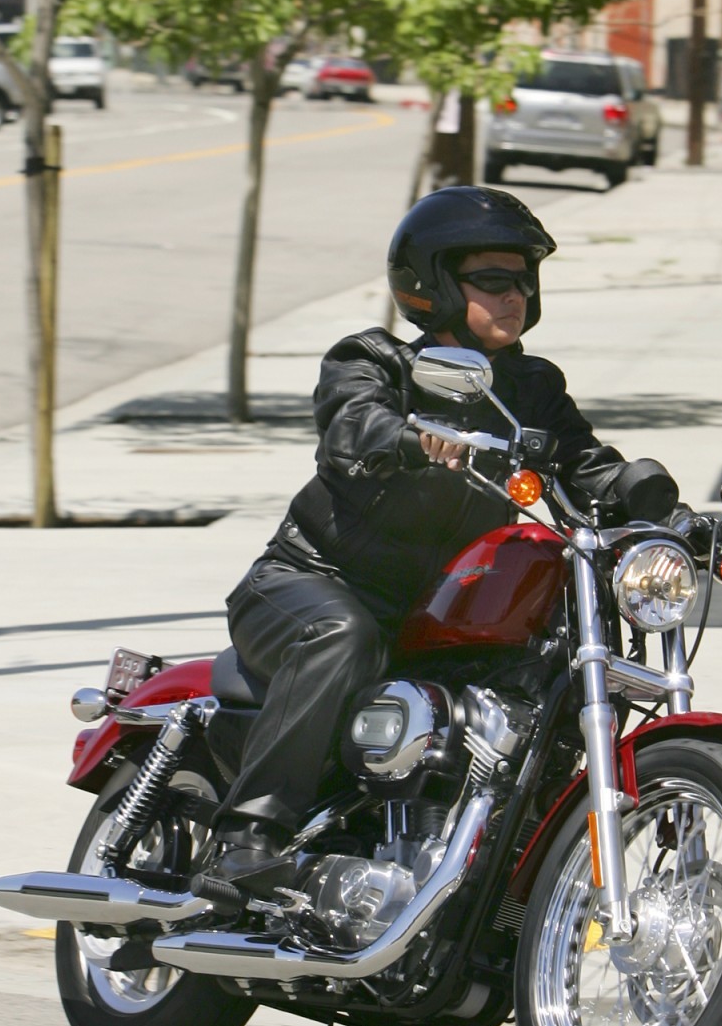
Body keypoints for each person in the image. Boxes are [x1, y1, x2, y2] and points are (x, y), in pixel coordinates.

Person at [212, 185, 680, 885]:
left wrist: (660, 507)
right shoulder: (372, 361)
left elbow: (586, 464)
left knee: (537, 674)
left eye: (523, 280)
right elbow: (351, 427)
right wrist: (408, 437)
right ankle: (247, 839)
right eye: (492, 281)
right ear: (432, 286)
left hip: (435, 611)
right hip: (311, 584)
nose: (515, 295)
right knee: (342, 637)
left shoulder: (531, 387)